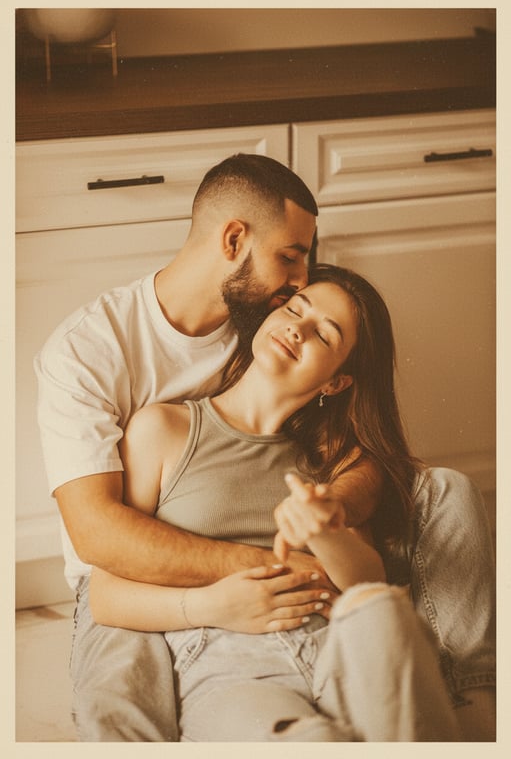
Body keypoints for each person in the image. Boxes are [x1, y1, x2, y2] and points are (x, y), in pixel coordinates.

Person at [35, 155, 384, 741]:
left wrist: (330, 520)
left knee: (442, 497)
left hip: (285, 591)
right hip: (131, 576)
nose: (301, 283)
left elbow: (357, 452)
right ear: (233, 239)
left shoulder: (267, 326)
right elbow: (99, 539)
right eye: (290, 257)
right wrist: (273, 573)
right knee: (121, 707)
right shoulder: (86, 351)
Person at [87, 265, 463, 741]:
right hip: (233, 663)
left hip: (340, 650)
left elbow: (366, 584)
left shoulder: (332, 460)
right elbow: (105, 595)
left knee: (382, 614)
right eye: (293, 309)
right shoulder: (164, 430)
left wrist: (325, 532)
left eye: (323, 335)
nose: (296, 329)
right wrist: (207, 606)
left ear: (336, 383)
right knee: (316, 743)